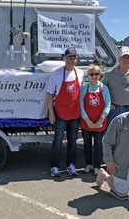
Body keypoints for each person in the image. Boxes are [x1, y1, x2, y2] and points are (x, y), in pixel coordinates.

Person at [46, 48, 84, 177]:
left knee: (73, 140)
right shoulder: (56, 74)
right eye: (69, 57)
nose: (71, 60)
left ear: (76, 59)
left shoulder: (80, 73)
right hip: (60, 112)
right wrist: (51, 112)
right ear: (64, 59)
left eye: (73, 57)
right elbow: (49, 95)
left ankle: (71, 165)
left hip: (74, 113)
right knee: (58, 140)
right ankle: (54, 166)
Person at [79, 65, 110, 175]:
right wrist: (87, 120)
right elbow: (81, 105)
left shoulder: (104, 88)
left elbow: (107, 105)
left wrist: (101, 120)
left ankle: (97, 166)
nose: (94, 76)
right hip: (86, 122)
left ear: (100, 75)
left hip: (99, 123)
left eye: (96, 74)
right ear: (88, 75)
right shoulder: (84, 88)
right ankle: (88, 164)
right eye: (91, 74)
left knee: (98, 145)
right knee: (87, 144)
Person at [102, 49, 129, 126]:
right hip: (114, 109)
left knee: (128, 134)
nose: (125, 60)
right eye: (123, 57)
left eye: (128, 58)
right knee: (112, 133)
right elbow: (102, 89)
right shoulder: (109, 73)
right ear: (119, 59)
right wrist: (107, 102)